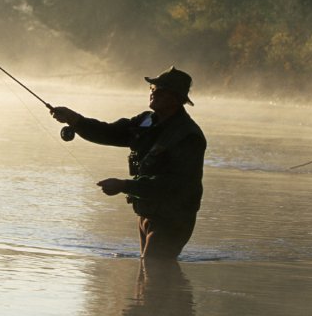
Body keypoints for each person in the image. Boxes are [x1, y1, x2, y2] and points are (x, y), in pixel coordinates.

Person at [50, 66, 206, 259]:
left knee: (155, 270)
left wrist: (124, 185)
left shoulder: (188, 136)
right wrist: (75, 120)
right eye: (152, 89)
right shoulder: (145, 120)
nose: (153, 92)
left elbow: (175, 184)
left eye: (160, 90)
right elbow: (109, 133)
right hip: (147, 212)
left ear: (175, 98)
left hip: (173, 218)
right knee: (146, 280)